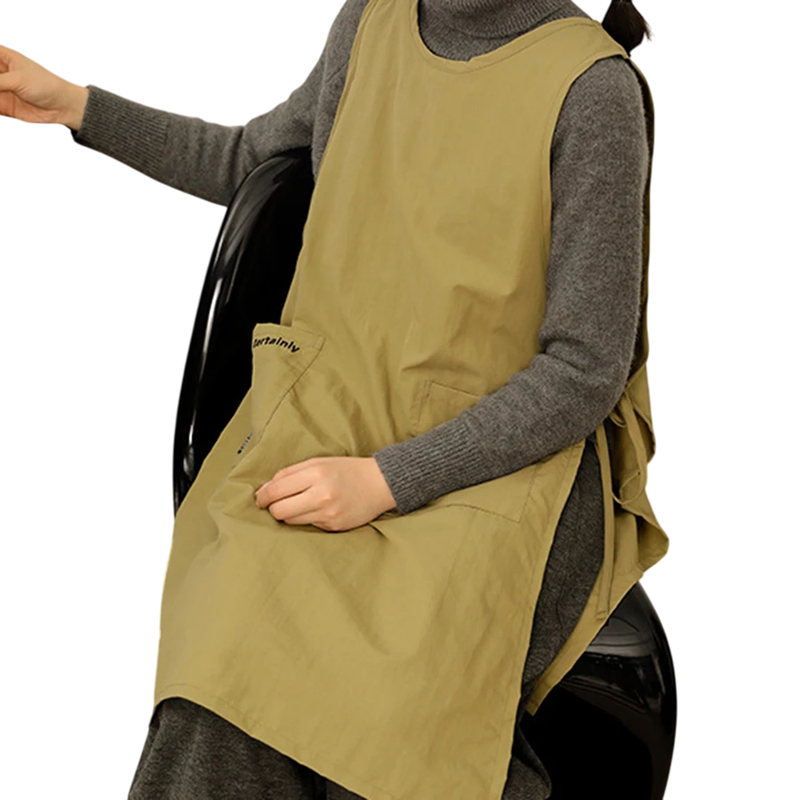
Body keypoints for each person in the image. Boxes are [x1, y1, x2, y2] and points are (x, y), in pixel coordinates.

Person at [0, 1, 654, 798]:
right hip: (336, 418)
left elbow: (583, 373)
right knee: (222, 673)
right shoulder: (371, 22)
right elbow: (254, 161)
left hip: (508, 467)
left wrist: (387, 480)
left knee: (390, 703)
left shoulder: (592, 90)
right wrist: (74, 105)